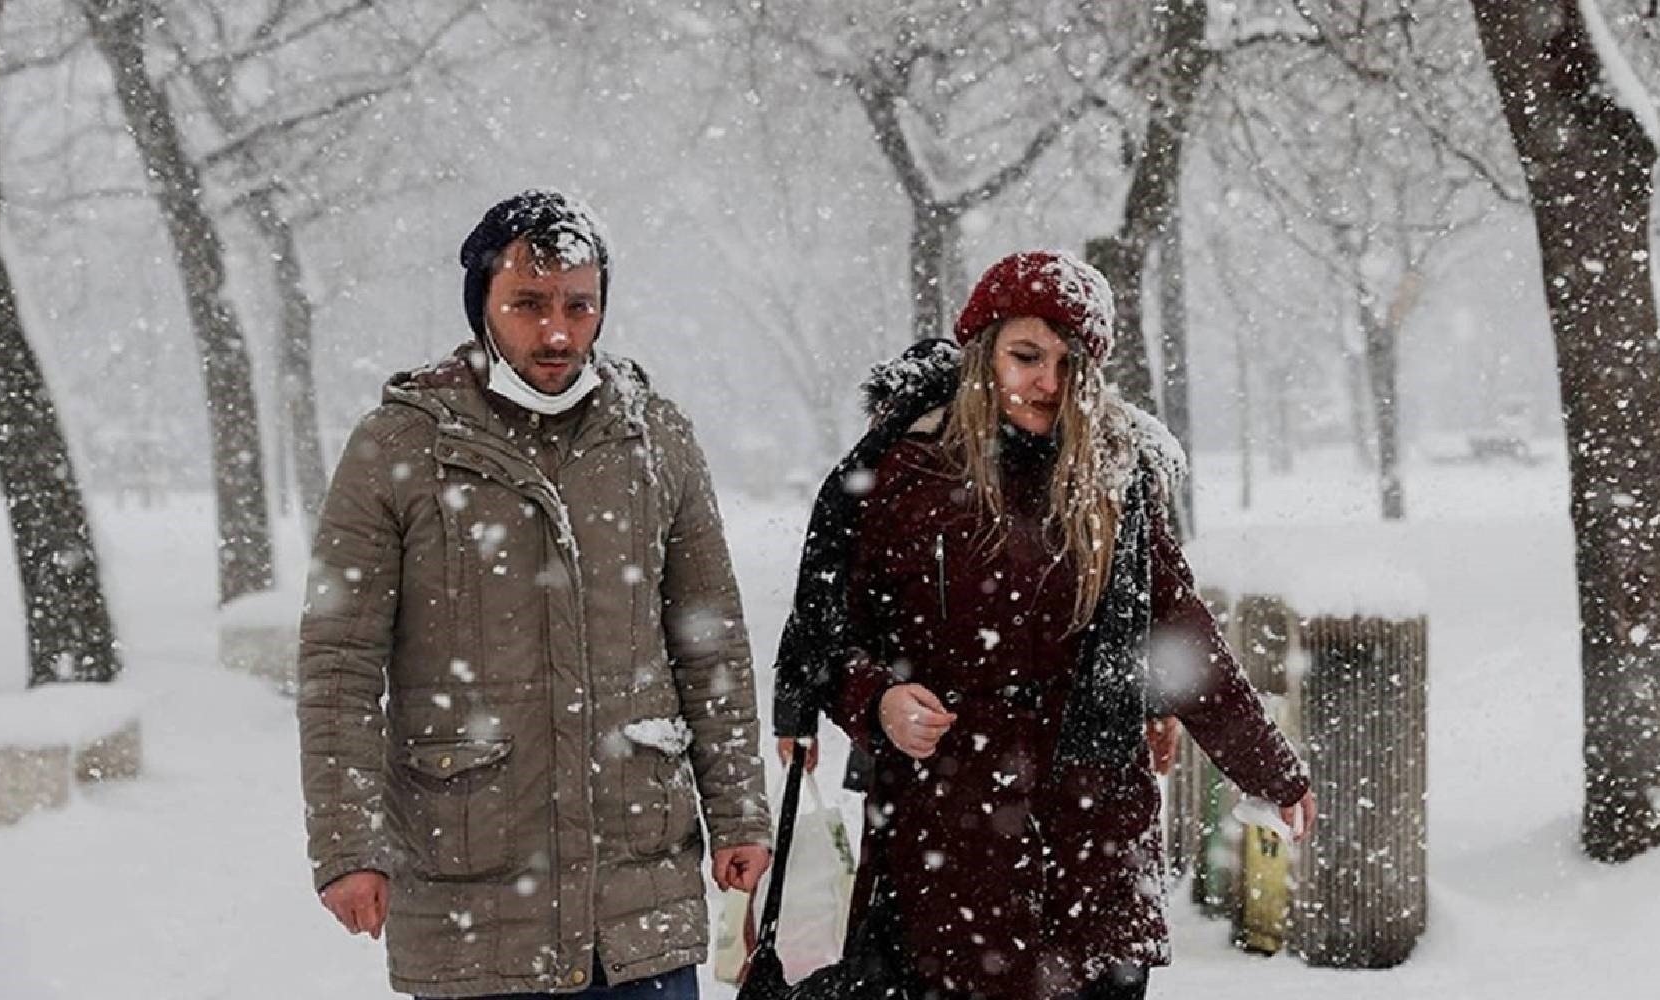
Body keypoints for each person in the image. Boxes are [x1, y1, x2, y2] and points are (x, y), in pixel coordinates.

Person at [771, 251, 1316, 1000]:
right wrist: (879, 701)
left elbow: (1181, 632)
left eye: (1070, 364)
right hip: (949, 848)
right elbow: (827, 640)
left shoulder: (1119, 480)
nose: (1048, 385)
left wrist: (1268, 768)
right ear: (982, 351)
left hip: (1094, 850)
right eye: (1026, 356)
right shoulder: (907, 477)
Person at [296, 189, 771, 1000]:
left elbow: (709, 639)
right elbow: (339, 663)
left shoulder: (655, 439)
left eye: (578, 306)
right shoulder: (400, 447)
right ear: (482, 303)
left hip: (637, 893)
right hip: (471, 886)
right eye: (528, 305)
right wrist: (349, 845)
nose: (557, 332)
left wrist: (740, 812)